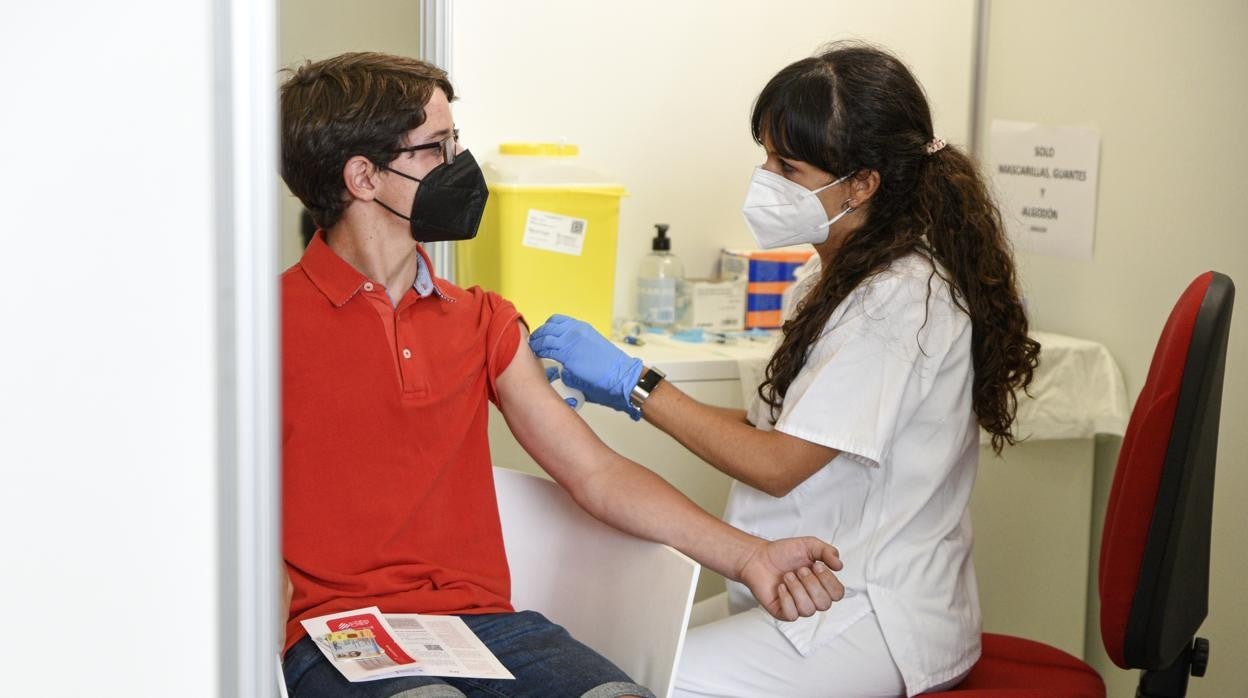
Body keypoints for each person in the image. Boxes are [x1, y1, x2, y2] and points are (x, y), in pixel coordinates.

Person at [277, 52, 848, 698]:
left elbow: (596, 473)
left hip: (484, 629)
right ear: (363, 177)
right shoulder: (263, 332)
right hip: (342, 636)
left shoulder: (482, 321)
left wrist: (749, 555)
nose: (460, 165)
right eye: (437, 148)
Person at [530, 42, 1041, 698]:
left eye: (785, 166)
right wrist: (625, 394)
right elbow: (768, 427)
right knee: (605, 663)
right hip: (800, 582)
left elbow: (777, 464)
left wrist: (639, 382)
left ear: (862, 183)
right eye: (766, 156)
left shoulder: (900, 299)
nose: (764, 179)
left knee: (649, 687)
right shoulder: (826, 274)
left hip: (873, 607)